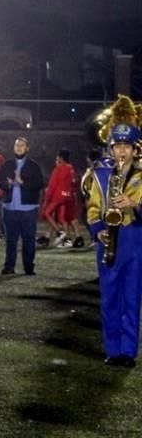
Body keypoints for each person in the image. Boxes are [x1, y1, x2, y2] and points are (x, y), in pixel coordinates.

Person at [86, 96, 142, 367]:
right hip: (109, 239)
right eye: (117, 146)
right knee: (110, 298)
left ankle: (128, 351)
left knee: (132, 297)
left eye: (126, 147)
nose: (121, 152)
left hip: (135, 238)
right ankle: (112, 349)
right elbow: (93, 208)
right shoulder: (101, 174)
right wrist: (97, 230)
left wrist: (134, 204)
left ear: (134, 149)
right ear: (111, 148)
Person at [0, 137, 44, 276]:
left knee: (28, 240)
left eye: (22, 145)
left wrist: (22, 182)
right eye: (17, 145)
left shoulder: (34, 166)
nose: (19, 147)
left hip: (28, 210)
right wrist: (9, 184)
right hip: (9, 209)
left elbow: (39, 184)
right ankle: (9, 266)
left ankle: (29, 267)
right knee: (11, 240)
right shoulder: (7, 164)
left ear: (27, 148)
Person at [43, 148, 78, 248]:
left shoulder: (59, 169)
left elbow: (52, 185)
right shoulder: (71, 168)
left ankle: (60, 233)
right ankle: (66, 240)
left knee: (47, 213)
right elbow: (74, 182)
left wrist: (47, 199)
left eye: (57, 156)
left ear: (60, 158)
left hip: (58, 197)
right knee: (63, 218)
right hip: (68, 196)